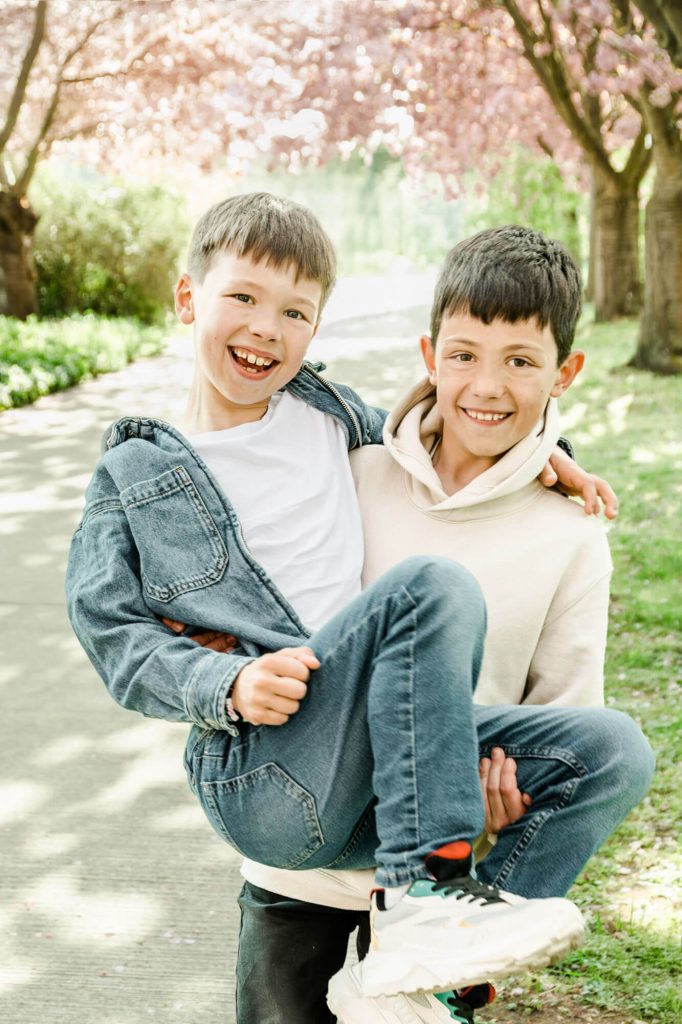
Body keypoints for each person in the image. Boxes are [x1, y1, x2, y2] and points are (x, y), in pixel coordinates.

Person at [65, 196, 653, 1017]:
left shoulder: (332, 425)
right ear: (188, 297)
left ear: (316, 329)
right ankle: (425, 902)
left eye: (294, 311)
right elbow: (113, 633)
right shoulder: (152, 473)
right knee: (434, 584)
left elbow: (465, 430)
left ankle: (433, 971)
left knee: (616, 749)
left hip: (397, 793)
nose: (266, 328)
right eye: (243, 298)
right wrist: (221, 682)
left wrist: (545, 455)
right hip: (279, 781)